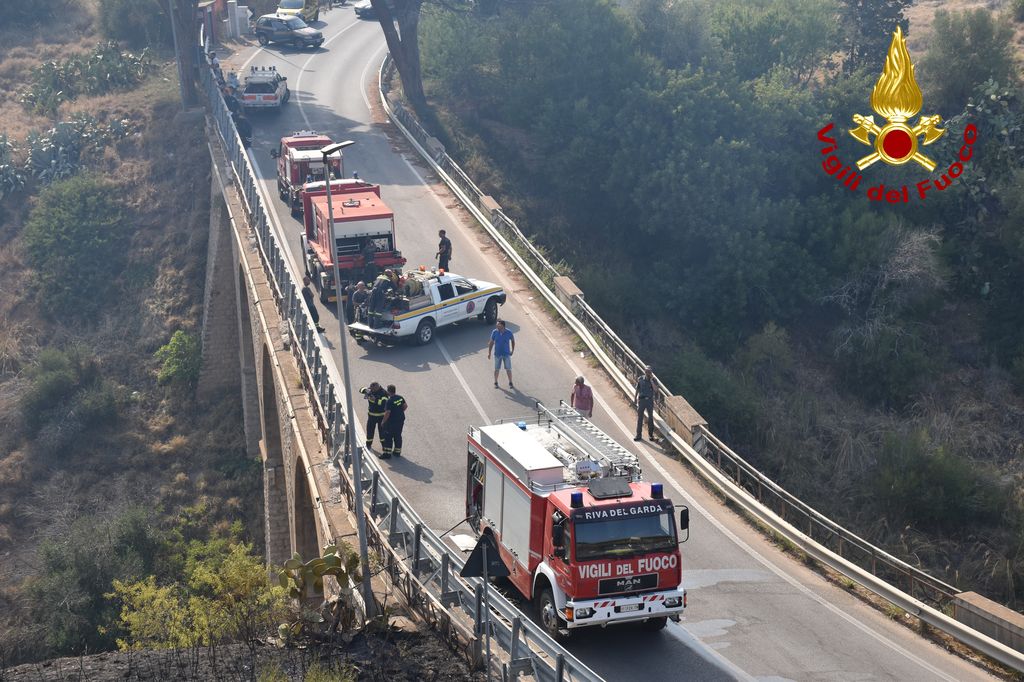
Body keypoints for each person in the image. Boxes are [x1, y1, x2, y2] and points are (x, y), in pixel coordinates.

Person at [380, 384, 407, 459]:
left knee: (388, 437)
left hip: (391, 422)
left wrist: (383, 422)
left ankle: (387, 454)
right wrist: (399, 412)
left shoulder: (389, 401)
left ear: (388, 391)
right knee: (398, 435)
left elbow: (387, 413)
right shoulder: (400, 398)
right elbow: (405, 406)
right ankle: (397, 452)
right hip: (400, 420)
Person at [487, 319, 515, 389]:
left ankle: (510, 382)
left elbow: (513, 341)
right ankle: (496, 382)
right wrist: (489, 353)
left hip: (506, 354)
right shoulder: (494, 332)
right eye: (497, 325)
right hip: (497, 354)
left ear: (503, 326)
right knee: (497, 369)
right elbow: (491, 343)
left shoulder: (509, 332)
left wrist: (512, 351)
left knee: (508, 369)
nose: (497, 326)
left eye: (498, 325)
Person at [360, 382, 388, 450]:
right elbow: (361, 390)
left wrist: (375, 400)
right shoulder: (371, 391)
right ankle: (368, 444)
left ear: (377, 387)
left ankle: (384, 446)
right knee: (370, 430)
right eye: (371, 389)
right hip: (371, 416)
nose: (372, 390)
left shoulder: (383, 393)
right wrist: (365, 390)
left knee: (382, 432)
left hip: (381, 416)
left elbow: (383, 403)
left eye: (373, 389)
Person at [634, 365, 656, 442]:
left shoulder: (653, 380)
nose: (647, 373)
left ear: (651, 372)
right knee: (640, 418)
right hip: (641, 400)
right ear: (644, 371)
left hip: (649, 401)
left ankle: (651, 435)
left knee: (650, 418)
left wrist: (651, 380)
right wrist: (635, 398)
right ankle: (638, 435)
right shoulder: (640, 379)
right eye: (646, 371)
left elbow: (655, 390)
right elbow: (637, 389)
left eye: (649, 371)